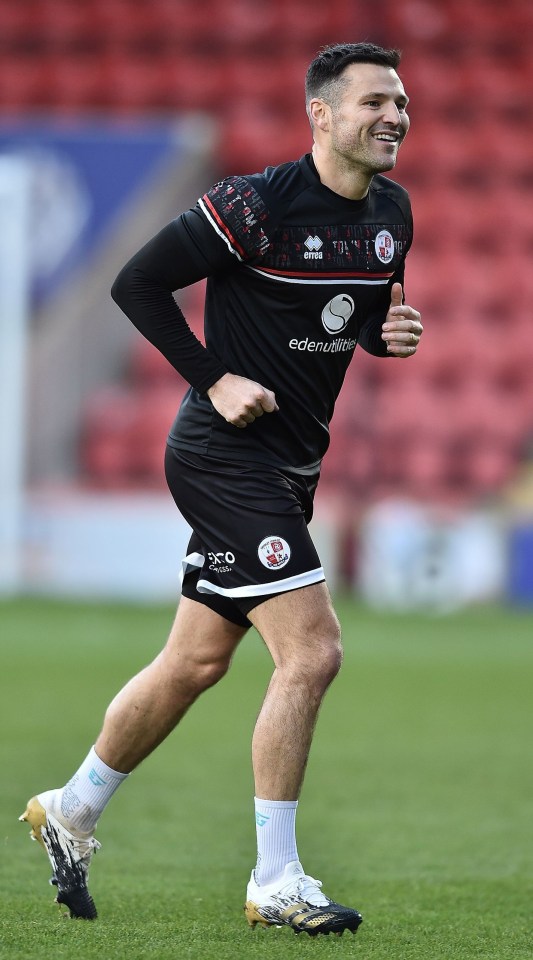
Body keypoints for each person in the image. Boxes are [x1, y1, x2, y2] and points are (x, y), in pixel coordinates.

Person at [20, 42, 422, 936]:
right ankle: (275, 879)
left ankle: (74, 808)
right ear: (320, 113)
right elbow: (138, 283)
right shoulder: (255, 202)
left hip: (290, 466)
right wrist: (212, 377)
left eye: (400, 102)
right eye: (373, 102)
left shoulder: (392, 212)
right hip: (221, 455)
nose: (393, 116)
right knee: (311, 652)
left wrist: (383, 336)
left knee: (195, 662)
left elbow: (349, 320)